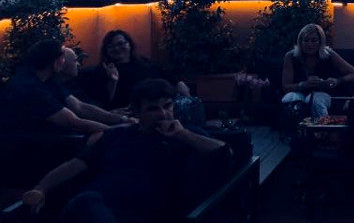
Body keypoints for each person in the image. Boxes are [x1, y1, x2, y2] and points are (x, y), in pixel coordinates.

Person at [22, 79, 228, 223]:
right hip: (94, 208)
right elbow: (75, 165)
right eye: (153, 109)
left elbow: (222, 151)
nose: (163, 114)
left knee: (87, 201)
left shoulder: (183, 135)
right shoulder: (117, 135)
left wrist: (183, 135)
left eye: (167, 106)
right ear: (137, 112)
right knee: (85, 201)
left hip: (142, 214)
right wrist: (41, 188)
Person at [0, 40, 133, 134]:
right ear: (55, 62)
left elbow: (80, 106)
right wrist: (122, 131)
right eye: (63, 58)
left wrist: (123, 120)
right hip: (26, 149)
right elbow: (74, 122)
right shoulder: (30, 88)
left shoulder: (48, 81)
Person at [76, 30, 190, 111]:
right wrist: (113, 81)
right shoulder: (102, 70)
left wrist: (179, 83)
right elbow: (103, 102)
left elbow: (164, 74)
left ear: (129, 44)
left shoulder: (143, 63)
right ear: (106, 50)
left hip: (157, 105)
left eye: (121, 44)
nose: (117, 48)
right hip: (129, 112)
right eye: (111, 46)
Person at [281, 24, 354, 118]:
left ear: (320, 42)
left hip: (323, 93)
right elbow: (286, 87)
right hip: (298, 93)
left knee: (317, 99)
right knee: (291, 98)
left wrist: (337, 81)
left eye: (314, 40)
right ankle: (294, 125)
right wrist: (303, 84)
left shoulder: (329, 54)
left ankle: (322, 126)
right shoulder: (290, 56)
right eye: (306, 40)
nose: (310, 44)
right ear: (300, 42)